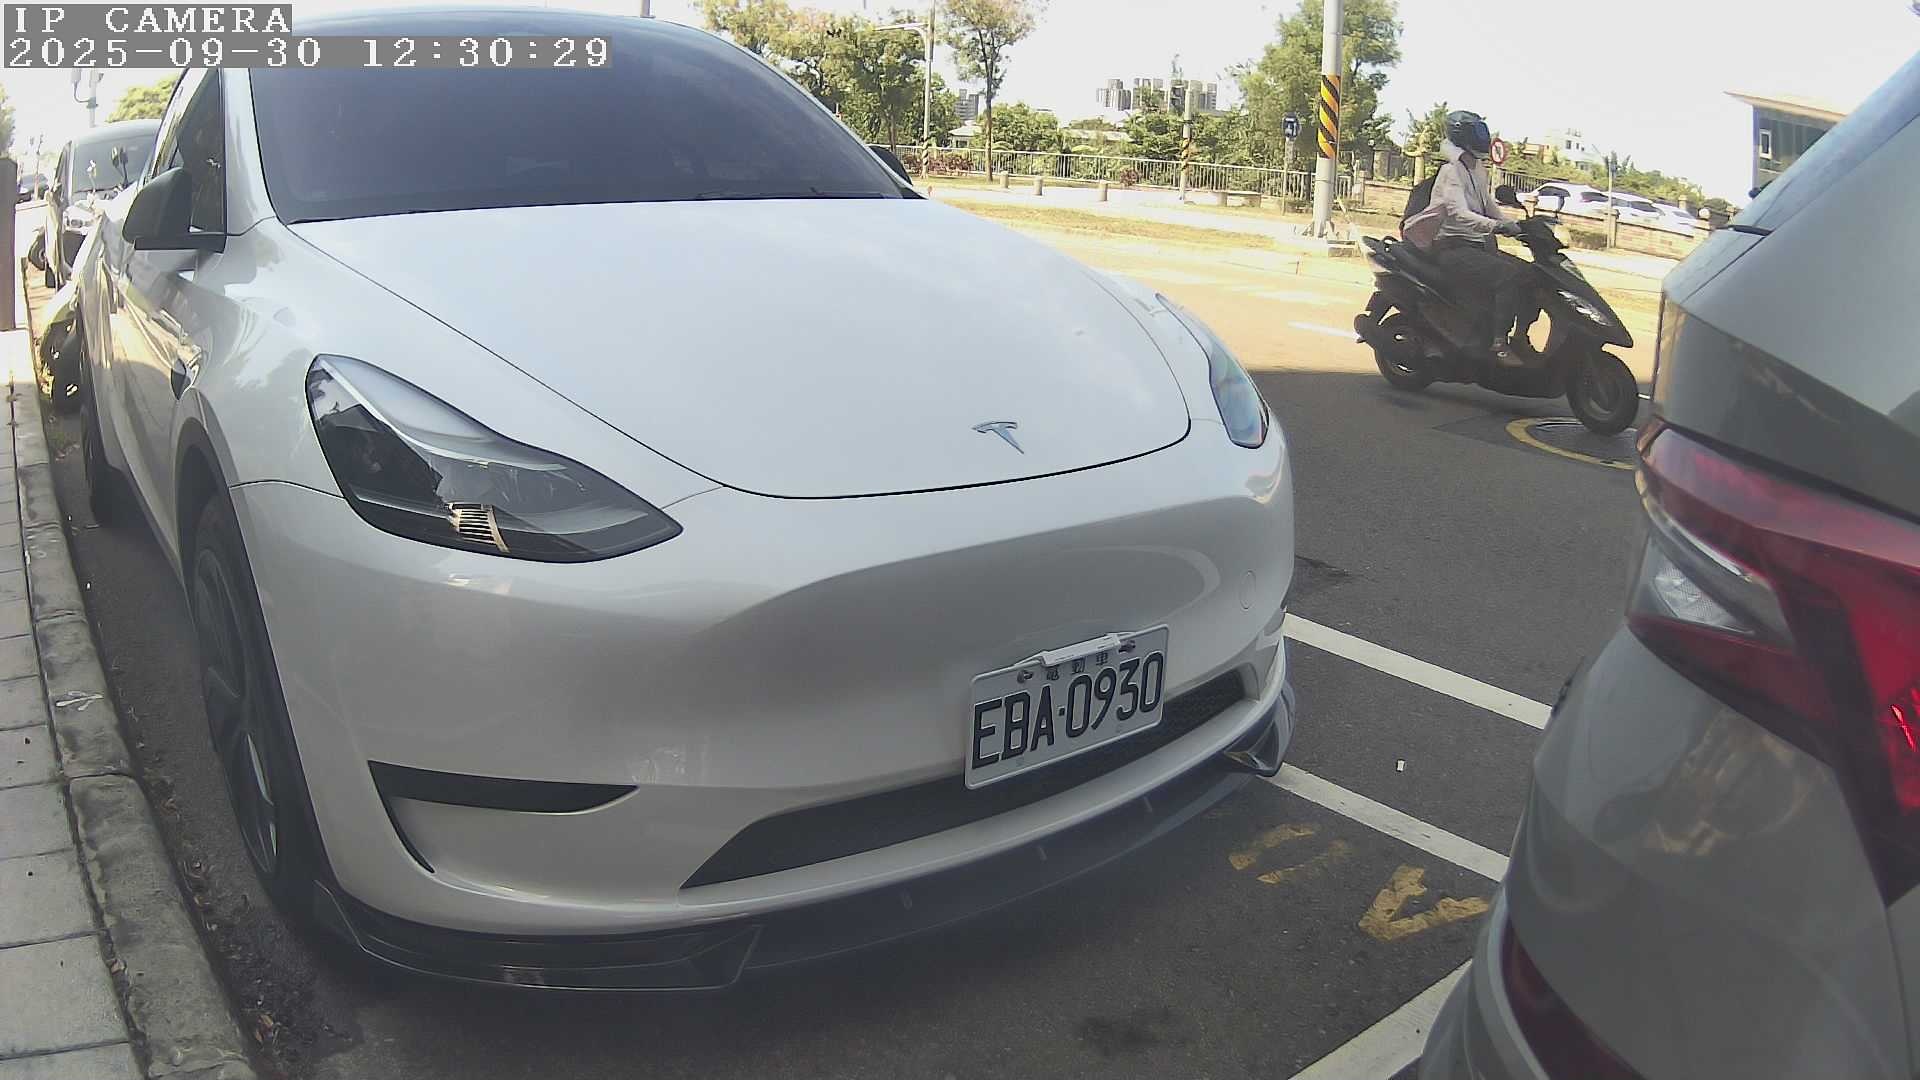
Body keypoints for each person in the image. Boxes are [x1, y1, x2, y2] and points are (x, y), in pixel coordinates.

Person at [1420, 110, 1531, 366]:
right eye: (1478, 131)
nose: (1483, 136)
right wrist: (1497, 227)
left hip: (1476, 245)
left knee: (1531, 275)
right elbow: (1459, 214)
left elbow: (1487, 203)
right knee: (1509, 276)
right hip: (1452, 248)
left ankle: (1520, 337)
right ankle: (1499, 344)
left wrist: (1514, 224)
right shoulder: (1451, 171)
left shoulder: (1477, 168)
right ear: (1464, 135)